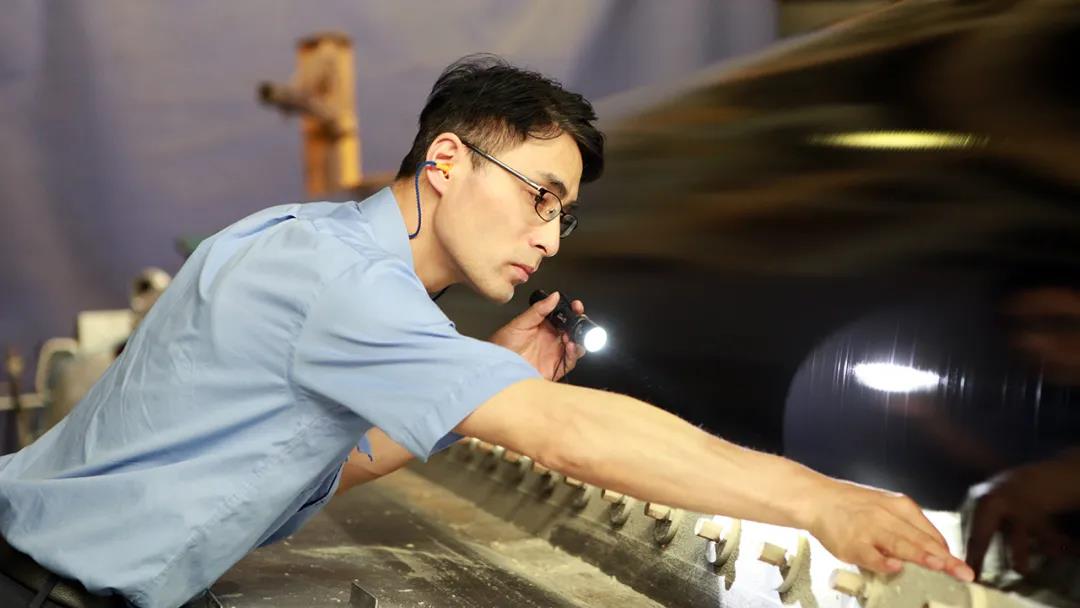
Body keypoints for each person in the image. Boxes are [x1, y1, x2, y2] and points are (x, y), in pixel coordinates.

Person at [0, 55, 973, 608]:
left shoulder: (312, 244)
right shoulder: (342, 280)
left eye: (566, 216)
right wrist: (817, 498)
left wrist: (482, 381)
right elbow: (569, 435)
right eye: (540, 196)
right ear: (446, 161)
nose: (548, 238)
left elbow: (290, 466)